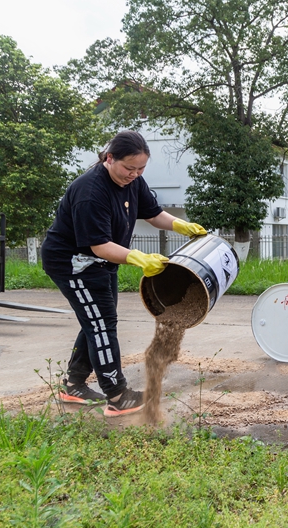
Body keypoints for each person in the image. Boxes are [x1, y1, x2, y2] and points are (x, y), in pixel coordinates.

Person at [41, 131, 207, 416]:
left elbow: (153, 214)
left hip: (102, 262)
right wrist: (137, 258)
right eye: (129, 168)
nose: (135, 174)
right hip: (73, 264)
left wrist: (181, 225)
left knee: (96, 319)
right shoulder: (91, 191)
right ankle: (117, 395)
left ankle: (73, 383)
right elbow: (99, 245)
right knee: (102, 324)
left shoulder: (133, 181)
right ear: (109, 159)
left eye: (141, 168)